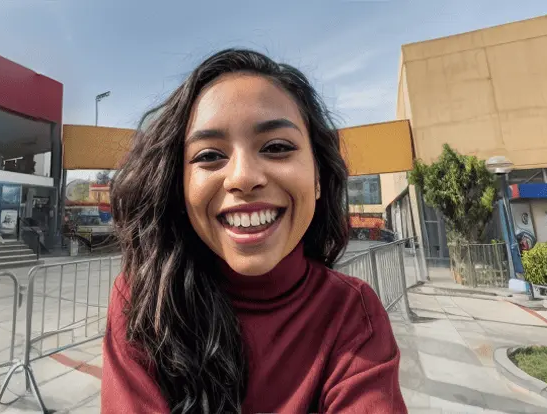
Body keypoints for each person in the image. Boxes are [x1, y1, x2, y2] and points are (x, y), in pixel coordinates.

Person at [102, 49, 406, 413]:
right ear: (179, 187)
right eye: (209, 155)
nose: (243, 178)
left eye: (276, 147)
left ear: (318, 178)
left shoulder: (353, 312)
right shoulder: (143, 301)